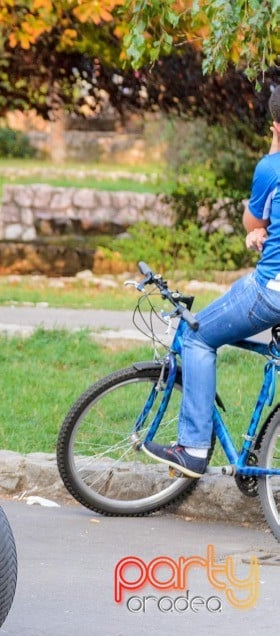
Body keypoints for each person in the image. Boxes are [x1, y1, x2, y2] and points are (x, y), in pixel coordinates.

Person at [142, 89, 280, 478]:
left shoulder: (272, 167)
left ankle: (193, 448)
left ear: (275, 125)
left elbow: (252, 224)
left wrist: (274, 144)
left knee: (196, 335)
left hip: (272, 291)